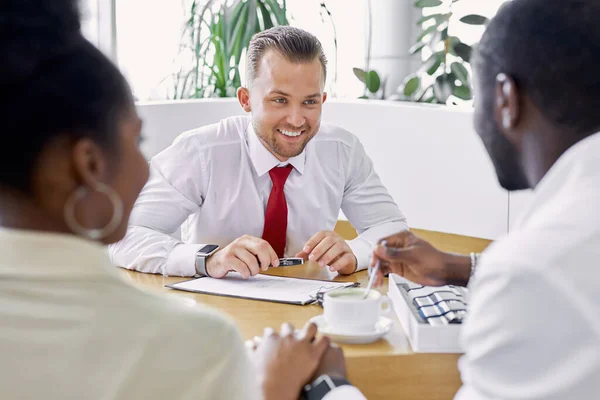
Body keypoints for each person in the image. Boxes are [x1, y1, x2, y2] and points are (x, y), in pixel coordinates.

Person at [0, 1, 353, 399]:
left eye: (310, 100)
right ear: (90, 164)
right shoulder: (196, 344)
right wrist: (280, 386)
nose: (147, 168)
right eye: (136, 141)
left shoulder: (342, 150)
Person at [366, 0, 600, 399]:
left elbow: (548, 272)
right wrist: (462, 268)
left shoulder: (533, 269)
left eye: (477, 99)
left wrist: (328, 385)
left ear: (506, 99)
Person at [108, 26, 407, 279]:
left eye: (310, 102)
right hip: (217, 312)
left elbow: (394, 229)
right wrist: (209, 259)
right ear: (246, 99)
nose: (296, 119)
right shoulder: (201, 152)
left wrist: (356, 252)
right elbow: (123, 236)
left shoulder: (342, 150)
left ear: (323, 100)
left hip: (311, 314)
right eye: (279, 100)